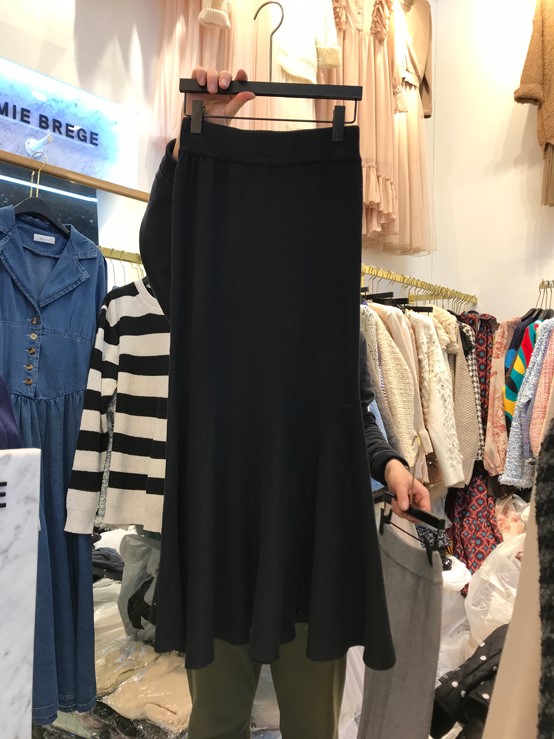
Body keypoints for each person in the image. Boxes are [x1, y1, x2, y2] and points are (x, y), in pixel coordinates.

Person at [140, 67, 431, 739]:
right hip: (223, 528)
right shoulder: (204, 295)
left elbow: (352, 407)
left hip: (313, 533)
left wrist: (389, 464)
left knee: (312, 725)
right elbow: (161, 250)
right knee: (217, 720)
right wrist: (193, 143)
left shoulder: (329, 311)